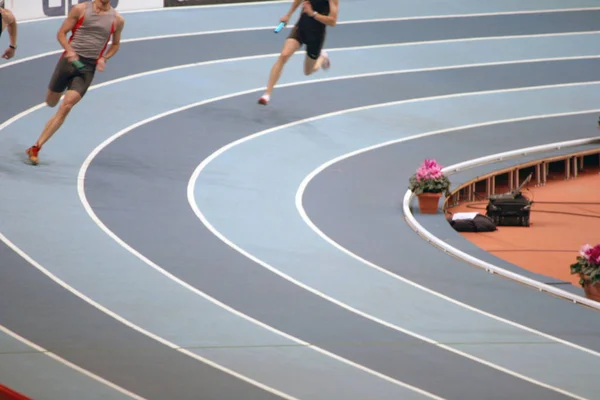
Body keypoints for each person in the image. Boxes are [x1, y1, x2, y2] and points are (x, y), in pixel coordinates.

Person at [26, 0, 125, 165]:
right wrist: (70, 51)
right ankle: (60, 92)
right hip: (68, 61)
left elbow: (115, 44)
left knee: (66, 106)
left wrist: (104, 58)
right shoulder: (80, 10)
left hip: (87, 68)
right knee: (51, 102)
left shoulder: (117, 19)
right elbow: (61, 33)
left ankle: (36, 147)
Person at [258, 0, 339, 106]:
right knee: (284, 55)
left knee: (308, 71)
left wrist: (313, 14)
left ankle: (322, 58)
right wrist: (288, 15)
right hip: (301, 28)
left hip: (316, 36)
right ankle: (267, 94)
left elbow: (332, 21)